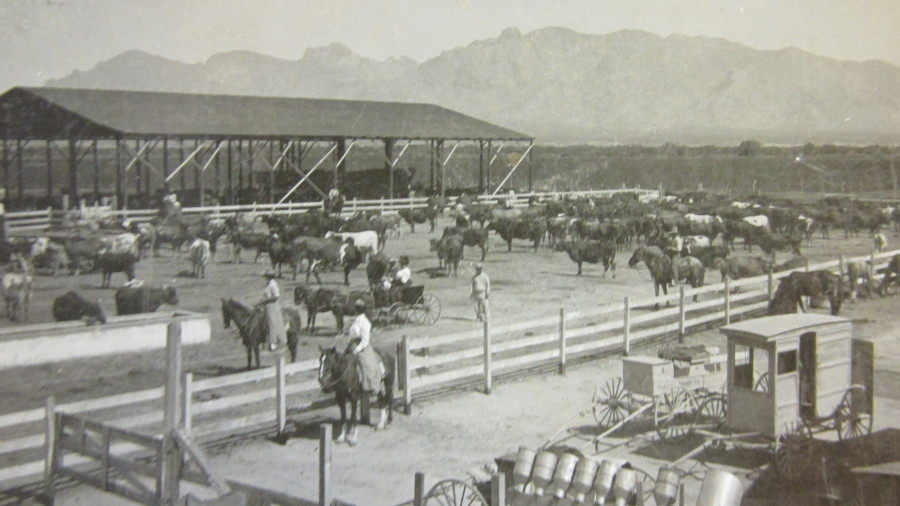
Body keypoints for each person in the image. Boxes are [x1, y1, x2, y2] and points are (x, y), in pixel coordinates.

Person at [346, 299, 383, 394]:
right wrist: (349, 346)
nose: (354, 311)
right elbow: (351, 335)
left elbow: (365, 341)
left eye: (355, 309)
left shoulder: (365, 323)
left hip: (362, 347)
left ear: (357, 310)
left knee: (367, 364)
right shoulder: (356, 321)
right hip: (352, 345)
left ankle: (371, 386)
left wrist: (357, 350)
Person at [258, 270, 286, 351]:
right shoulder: (268, 284)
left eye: (266, 276)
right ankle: (263, 340)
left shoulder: (273, 285)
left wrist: (265, 301)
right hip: (266, 304)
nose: (265, 278)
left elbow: (276, 297)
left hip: (273, 306)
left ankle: (273, 342)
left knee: (272, 322)